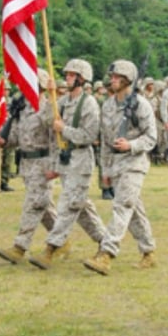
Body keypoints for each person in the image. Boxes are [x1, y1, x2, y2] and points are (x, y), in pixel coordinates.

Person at [28, 59, 107, 270]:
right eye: (67, 75)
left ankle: (51, 249)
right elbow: (46, 119)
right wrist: (48, 95)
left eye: (72, 75)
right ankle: (105, 242)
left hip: (81, 158)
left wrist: (64, 129)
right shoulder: (64, 101)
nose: (67, 78)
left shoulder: (89, 103)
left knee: (68, 204)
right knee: (80, 206)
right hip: (66, 159)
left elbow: (89, 135)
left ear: (82, 79)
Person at [83, 59, 158, 275]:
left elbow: (151, 137)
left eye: (117, 77)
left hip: (134, 163)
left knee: (122, 206)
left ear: (128, 80)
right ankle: (148, 251)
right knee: (133, 209)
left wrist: (131, 145)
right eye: (112, 77)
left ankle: (106, 253)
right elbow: (106, 142)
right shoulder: (107, 105)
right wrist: (105, 172)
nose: (112, 80)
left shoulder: (141, 105)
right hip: (115, 164)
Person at [0, 69, 68, 264]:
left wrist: (55, 165)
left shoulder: (48, 109)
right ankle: (61, 241)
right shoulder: (22, 109)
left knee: (34, 204)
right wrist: (5, 140)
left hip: (43, 162)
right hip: (27, 163)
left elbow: (56, 140)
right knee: (43, 206)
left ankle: (19, 247)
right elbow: (18, 139)